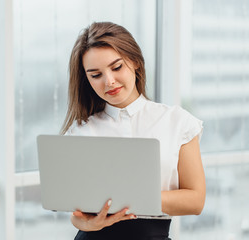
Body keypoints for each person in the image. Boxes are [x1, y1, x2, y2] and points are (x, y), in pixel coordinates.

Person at [61, 22, 206, 240]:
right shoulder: (80, 131)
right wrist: (87, 222)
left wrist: (131, 196)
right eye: (95, 75)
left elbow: (195, 200)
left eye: (116, 67)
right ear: (86, 80)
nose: (109, 81)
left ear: (135, 62)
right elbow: (76, 215)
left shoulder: (177, 121)